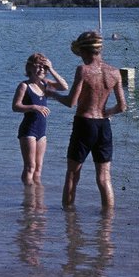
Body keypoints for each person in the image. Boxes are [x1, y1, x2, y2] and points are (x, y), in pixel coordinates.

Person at [46, 31, 128, 208]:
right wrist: (106, 113)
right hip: (103, 126)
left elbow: (71, 102)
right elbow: (122, 107)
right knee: (104, 177)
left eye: (80, 53)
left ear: (84, 51)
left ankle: (68, 215)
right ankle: (108, 219)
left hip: (84, 123)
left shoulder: (83, 70)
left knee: (72, 174)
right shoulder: (114, 72)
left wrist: (52, 94)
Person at [12, 53, 68, 185]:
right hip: (28, 130)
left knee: (38, 169)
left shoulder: (45, 83)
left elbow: (64, 87)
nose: (41, 69)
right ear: (30, 68)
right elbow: (15, 106)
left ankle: (37, 194)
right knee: (30, 166)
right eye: (38, 66)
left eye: (44, 67)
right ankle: (28, 194)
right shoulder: (24, 86)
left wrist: (51, 69)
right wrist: (33, 107)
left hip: (41, 132)